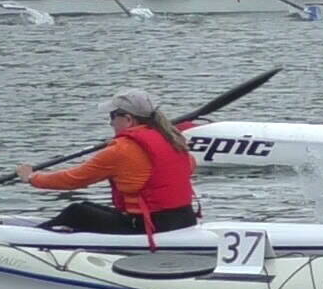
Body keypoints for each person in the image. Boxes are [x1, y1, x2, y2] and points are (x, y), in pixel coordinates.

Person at [17, 88, 199, 239]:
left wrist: (32, 178)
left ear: (128, 119)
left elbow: (73, 179)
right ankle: (37, 232)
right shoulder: (173, 139)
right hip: (184, 219)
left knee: (77, 212)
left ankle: (24, 239)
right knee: (87, 207)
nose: (110, 123)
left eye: (112, 117)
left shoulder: (122, 150)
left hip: (149, 228)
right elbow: (188, 168)